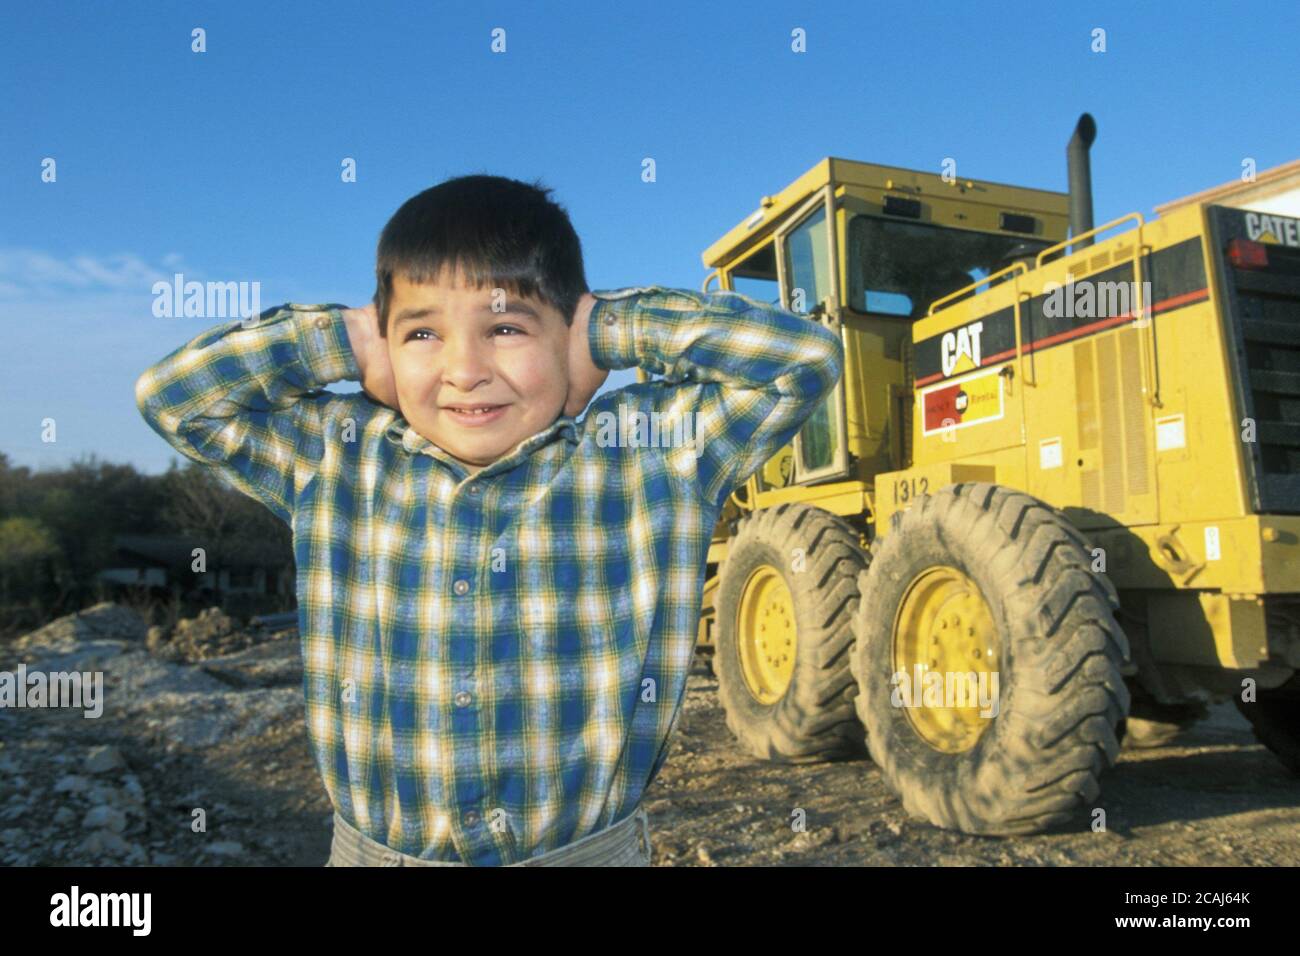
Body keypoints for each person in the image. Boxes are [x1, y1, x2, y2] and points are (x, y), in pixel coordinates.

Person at [134, 174, 843, 866]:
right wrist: (345, 339)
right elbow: (175, 398)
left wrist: (607, 328)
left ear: (563, 335)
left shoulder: (650, 457)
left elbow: (802, 359)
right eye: (422, 334)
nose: (464, 369)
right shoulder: (336, 457)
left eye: (505, 327)